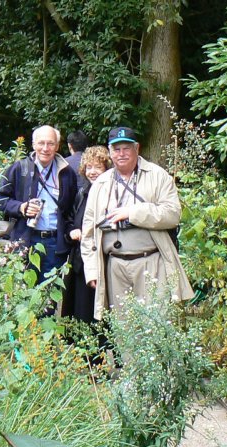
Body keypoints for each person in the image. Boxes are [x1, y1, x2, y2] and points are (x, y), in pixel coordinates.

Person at [80, 126, 193, 320]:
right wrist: (91, 270)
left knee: (157, 323)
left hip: (151, 262)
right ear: (110, 152)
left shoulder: (158, 176)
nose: (121, 154)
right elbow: (88, 230)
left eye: (126, 148)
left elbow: (173, 214)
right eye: (116, 149)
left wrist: (132, 213)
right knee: (124, 329)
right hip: (114, 266)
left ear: (137, 148)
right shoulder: (101, 183)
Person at [0, 125, 78, 299]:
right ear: (33, 145)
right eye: (41, 143)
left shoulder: (66, 172)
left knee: (48, 296)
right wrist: (21, 208)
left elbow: (71, 208)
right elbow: (0, 199)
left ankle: (44, 326)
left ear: (57, 145)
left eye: (50, 144)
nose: (45, 148)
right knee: (23, 292)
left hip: (55, 242)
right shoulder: (20, 169)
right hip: (25, 239)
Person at [62, 146, 112, 321]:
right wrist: (71, 232)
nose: (92, 172)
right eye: (89, 167)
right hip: (79, 260)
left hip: (101, 258)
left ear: (107, 168)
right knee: (78, 311)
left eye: (98, 167)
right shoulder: (82, 192)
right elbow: (68, 219)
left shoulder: (112, 192)